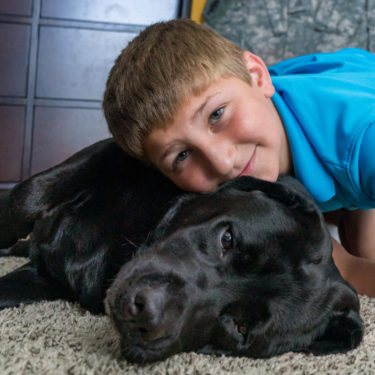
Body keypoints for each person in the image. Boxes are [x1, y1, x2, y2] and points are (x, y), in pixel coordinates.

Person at [103, 19, 375, 296]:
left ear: (258, 76)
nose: (221, 162)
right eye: (182, 155)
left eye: (216, 114)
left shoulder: (363, 139)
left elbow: (349, 270)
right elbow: (338, 263)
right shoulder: (246, 101)